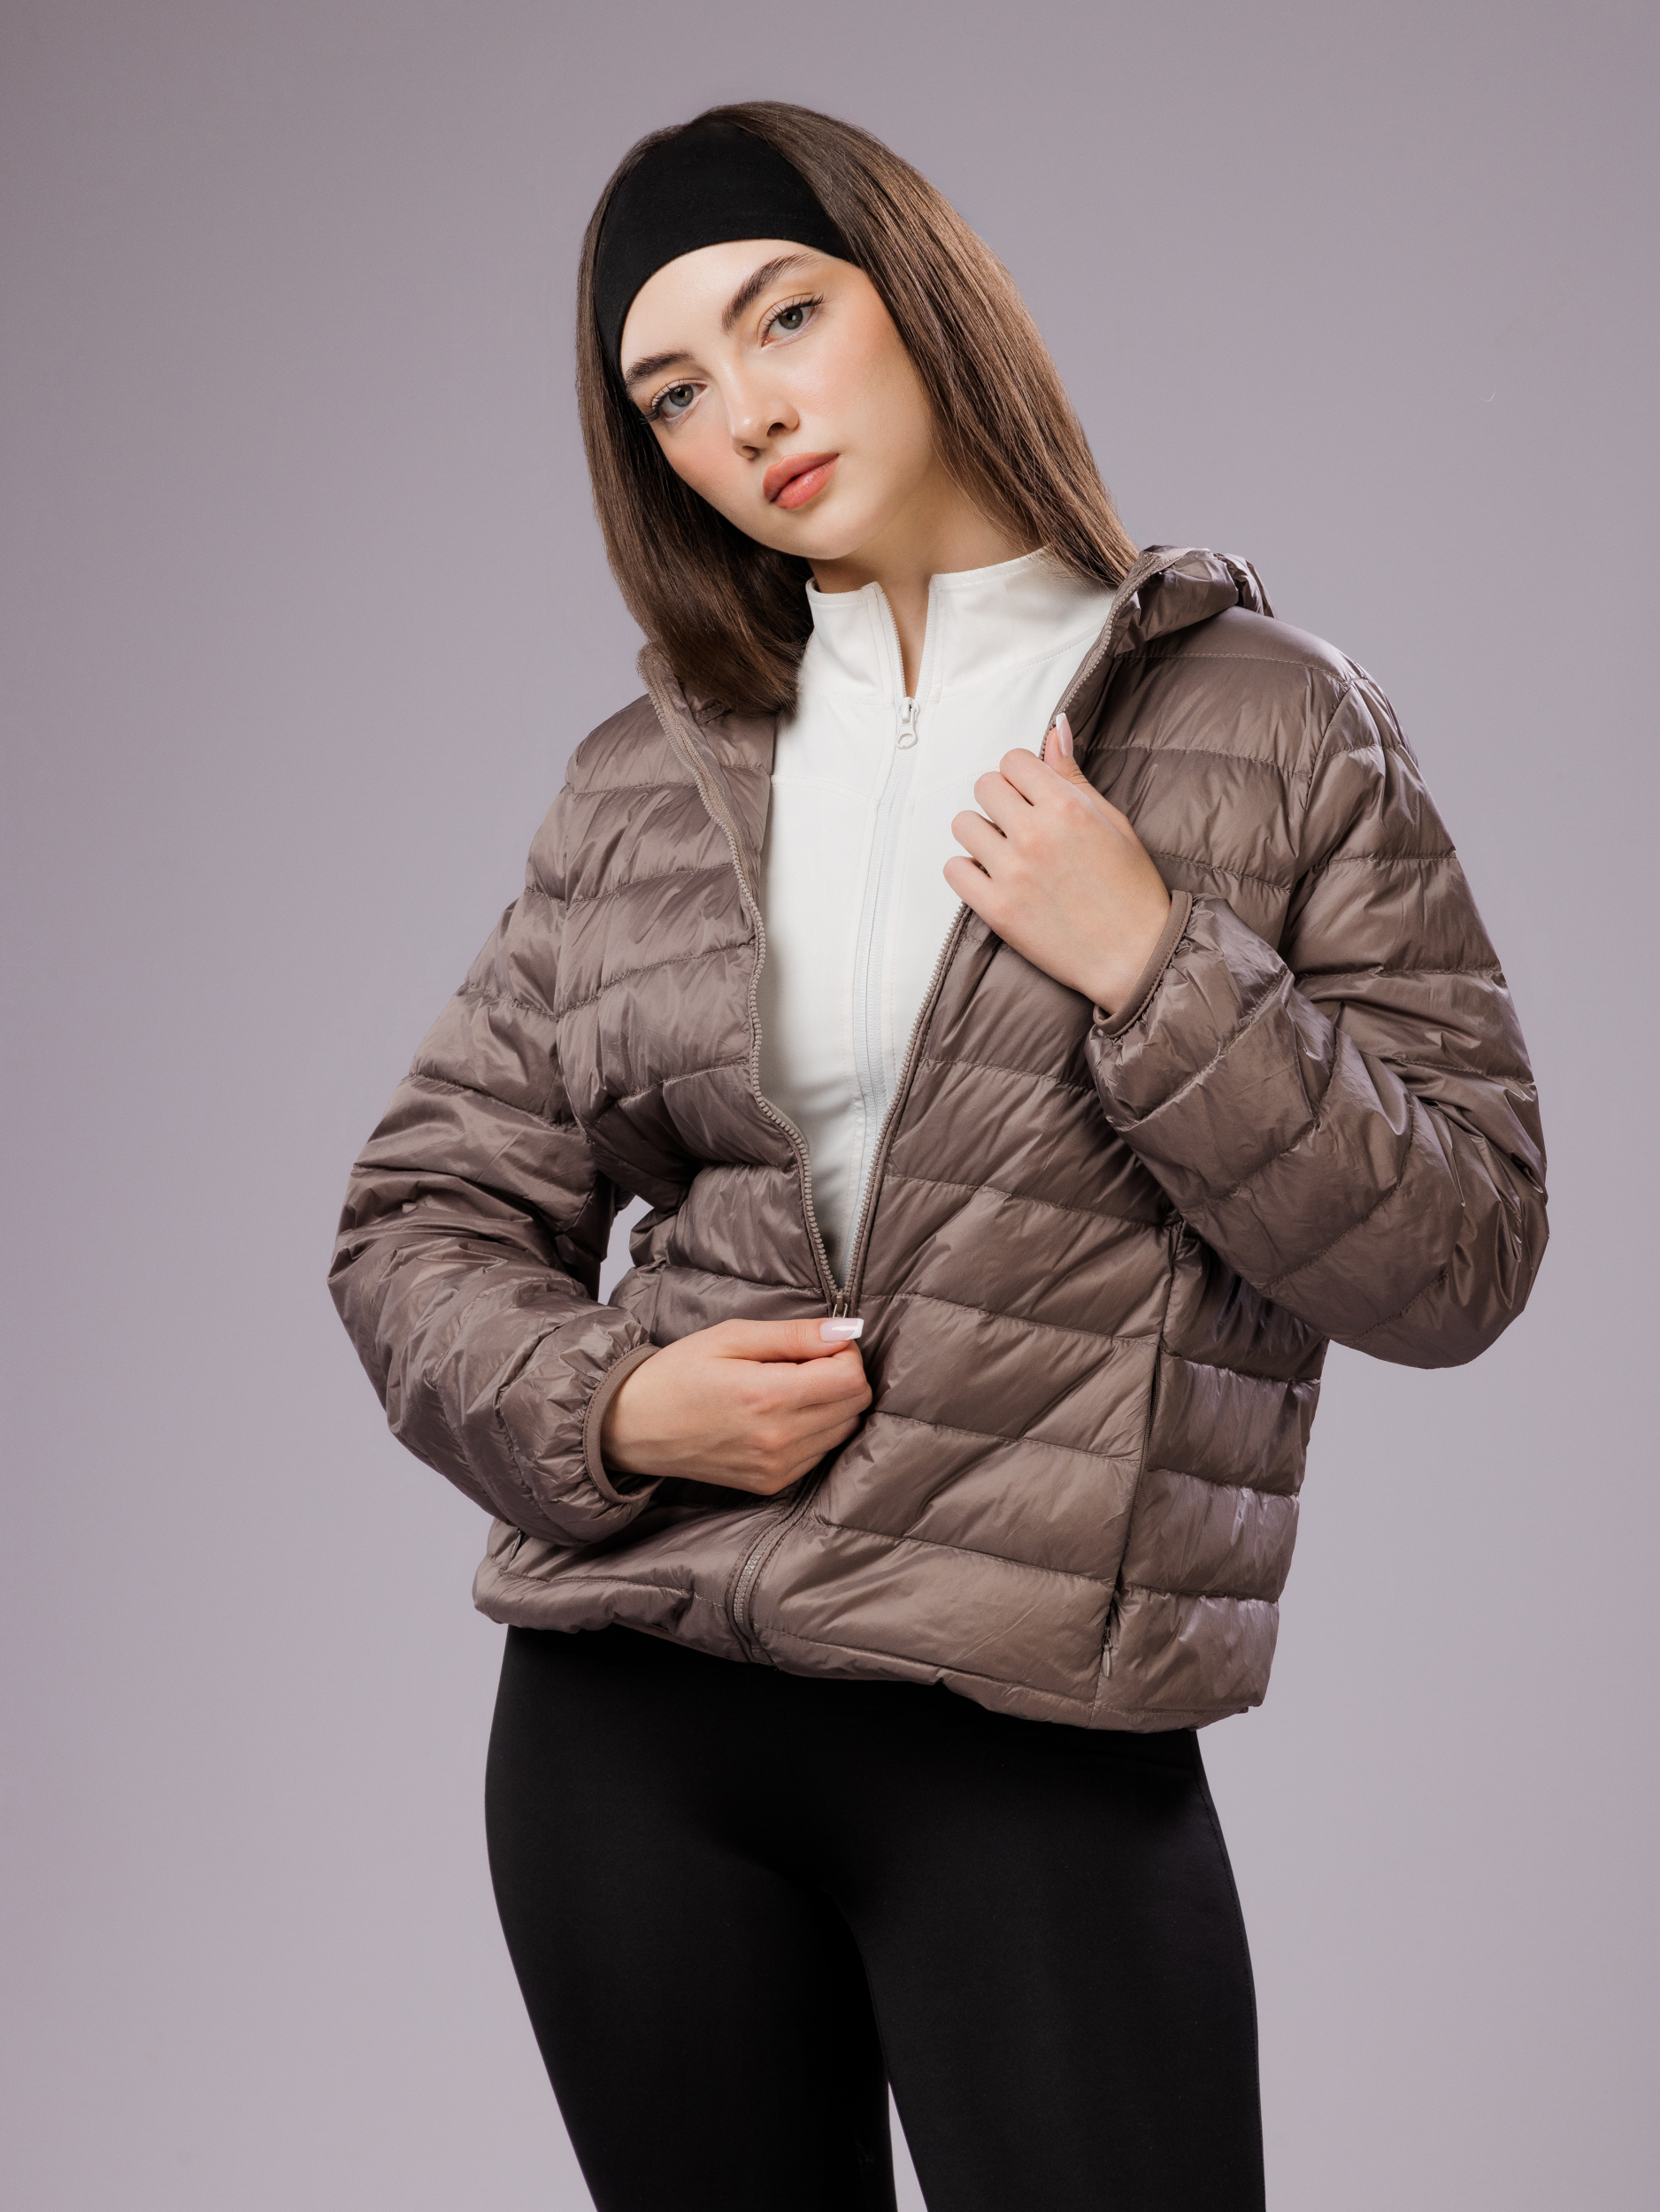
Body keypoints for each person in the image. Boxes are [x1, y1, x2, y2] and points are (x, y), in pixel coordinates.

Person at [329, 103, 1547, 2212]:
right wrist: (613, 1402)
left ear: (918, 293)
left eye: (782, 316)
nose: (745, 415)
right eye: (671, 394)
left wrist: (1154, 964)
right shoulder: (646, 779)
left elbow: (1459, 1250)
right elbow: (416, 1219)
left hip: (1033, 1745)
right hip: (631, 1731)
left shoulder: (1272, 724)